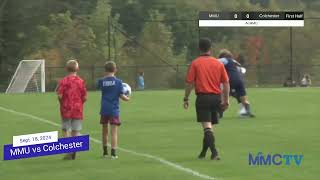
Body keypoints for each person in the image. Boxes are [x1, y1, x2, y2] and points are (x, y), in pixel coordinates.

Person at [184, 38, 230, 160]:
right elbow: (226, 83)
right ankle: (203, 153)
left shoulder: (195, 63)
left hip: (203, 98)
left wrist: (186, 98)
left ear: (199, 48)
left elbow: (189, 83)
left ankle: (214, 152)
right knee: (209, 127)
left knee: (207, 127)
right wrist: (226, 100)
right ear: (211, 48)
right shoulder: (218, 63)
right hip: (216, 98)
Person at [97, 61, 130, 159]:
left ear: (105, 70)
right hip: (114, 109)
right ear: (115, 70)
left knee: (104, 131)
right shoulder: (119, 82)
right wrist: (127, 98)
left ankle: (105, 153)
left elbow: (100, 87)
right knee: (114, 132)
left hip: (104, 109)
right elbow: (121, 95)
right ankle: (114, 154)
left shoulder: (101, 81)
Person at [56, 60, 87, 160]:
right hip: (78, 109)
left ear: (66, 69)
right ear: (77, 69)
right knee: (76, 130)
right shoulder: (80, 81)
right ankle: (74, 150)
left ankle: (69, 150)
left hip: (66, 109)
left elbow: (60, 95)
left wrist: (61, 102)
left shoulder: (63, 81)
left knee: (65, 129)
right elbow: (85, 97)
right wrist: (80, 103)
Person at [218, 49, 255, 118]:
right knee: (243, 99)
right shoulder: (235, 62)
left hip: (230, 80)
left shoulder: (223, 60)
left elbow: (214, 63)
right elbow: (241, 70)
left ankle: (220, 113)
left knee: (224, 98)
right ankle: (248, 111)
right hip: (240, 80)